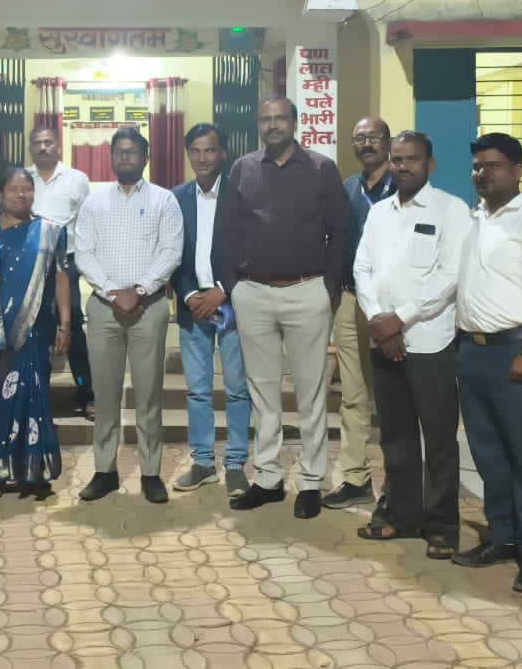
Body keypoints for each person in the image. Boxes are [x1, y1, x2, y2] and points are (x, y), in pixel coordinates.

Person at [220, 96, 348, 520]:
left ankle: (311, 481)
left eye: (280, 118)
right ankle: (268, 478)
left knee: (311, 393)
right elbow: (227, 231)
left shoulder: (321, 168)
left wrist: (328, 288)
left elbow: (340, 232)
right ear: (258, 125)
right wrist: (234, 286)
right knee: (262, 392)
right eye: (266, 119)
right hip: (253, 293)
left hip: (307, 290)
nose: (272, 125)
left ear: (295, 122)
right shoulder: (242, 169)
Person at [452, 133, 522, 593]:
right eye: (477, 166)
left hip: (518, 351)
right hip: (473, 352)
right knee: (489, 455)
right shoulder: (475, 218)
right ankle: (503, 536)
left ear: (517, 170)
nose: (483, 174)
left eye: (493, 166)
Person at [353, 131, 471, 558]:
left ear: (430, 164)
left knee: (438, 439)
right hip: (384, 341)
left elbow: (450, 275)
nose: (403, 166)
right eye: (397, 159)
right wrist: (378, 320)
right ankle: (402, 515)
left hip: (430, 343)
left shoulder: (452, 210)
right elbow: (362, 267)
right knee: (396, 436)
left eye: (412, 159)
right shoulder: (379, 213)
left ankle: (442, 526)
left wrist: (398, 319)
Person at [75, 127, 184, 504]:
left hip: (148, 308)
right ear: (111, 157)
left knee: (149, 394)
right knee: (104, 395)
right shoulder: (94, 203)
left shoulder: (164, 200)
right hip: (104, 309)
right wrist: (112, 292)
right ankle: (104, 471)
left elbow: (171, 251)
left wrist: (138, 290)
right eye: (119, 151)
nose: (125, 157)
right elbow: (83, 252)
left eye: (132, 151)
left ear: (145, 157)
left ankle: (151, 473)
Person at [0, 167, 69, 499]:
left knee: (34, 395)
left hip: (36, 329)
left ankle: (34, 470)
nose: (21, 194)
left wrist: (65, 325)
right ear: (0, 194)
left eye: (27, 188)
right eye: (13, 188)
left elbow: (60, 278)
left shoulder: (50, 232)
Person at [170, 123, 251, 497]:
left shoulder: (240, 195)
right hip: (193, 308)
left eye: (210, 150)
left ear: (222, 153)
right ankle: (203, 462)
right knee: (198, 391)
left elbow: (250, 250)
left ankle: (235, 463)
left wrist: (222, 291)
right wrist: (189, 295)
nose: (203, 158)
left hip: (231, 305)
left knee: (236, 390)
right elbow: (171, 253)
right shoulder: (176, 199)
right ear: (189, 154)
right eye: (196, 151)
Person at [325, 116, 397, 512]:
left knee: (393, 395)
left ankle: (398, 485)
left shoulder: (402, 185)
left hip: (393, 305)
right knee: (353, 395)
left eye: (374, 137)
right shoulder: (348, 188)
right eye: (359, 138)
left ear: (387, 141)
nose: (367, 143)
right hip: (352, 301)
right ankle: (355, 478)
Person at [27, 126, 95, 419]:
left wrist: (84, 261)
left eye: (48, 142)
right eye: (37, 143)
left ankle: (87, 393)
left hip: (66, 263)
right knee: (33, 327)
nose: (43, 147)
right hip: (30, 263)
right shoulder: (22, 178)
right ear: (31, 148)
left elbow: (88, 221)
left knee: (73, 326)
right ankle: (36, 396)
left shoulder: (77, 179)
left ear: (58, 146)